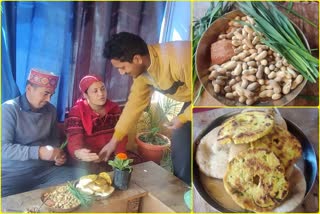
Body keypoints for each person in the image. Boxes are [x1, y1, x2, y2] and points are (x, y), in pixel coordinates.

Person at [102, 32, 191, 185]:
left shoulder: (180, 60)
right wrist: (114, 140)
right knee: (183, 142)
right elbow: (134, 105)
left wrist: (183, 118)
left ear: (137, 59)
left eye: (122, 67)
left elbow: (207, 94)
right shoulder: (142, 74)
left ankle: (185, 188)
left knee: (182, 137)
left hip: (208, 94)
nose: (121, 73)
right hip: (192, 98)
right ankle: (184, 187)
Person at [2, 68, 86, 197]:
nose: (48, 99)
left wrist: (58, 156)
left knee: (83, 178)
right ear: (29, 89)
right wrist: (39, 152)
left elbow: (54, 140)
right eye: (45, 93)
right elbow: (3, 148)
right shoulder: (8, 109)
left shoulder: (51, 110)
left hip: (44, 172)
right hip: (13, 174)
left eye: (51, 95)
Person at [65, 75, 127, 172]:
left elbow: (121, 135)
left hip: (111, 157)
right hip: (89, 160)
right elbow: (74, 137)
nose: (101, 94)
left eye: (103, 89)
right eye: (95, 91)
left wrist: (119, 158)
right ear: (85, 95)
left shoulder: (114, 109)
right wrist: (78, 152)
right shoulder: (77, 112)